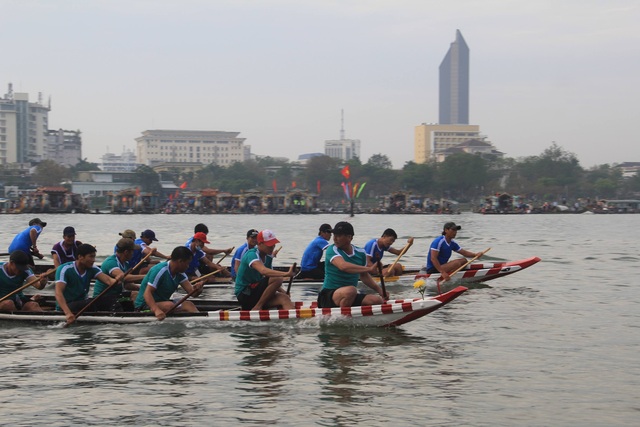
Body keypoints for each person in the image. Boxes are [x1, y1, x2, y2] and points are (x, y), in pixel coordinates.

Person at [317, 221, 388, 308]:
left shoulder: (361, 252)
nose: (335, 239)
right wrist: (369, 269)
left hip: (349, 295)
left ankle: (348, 314)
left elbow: (364, 276)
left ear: (349, 237)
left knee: (377, 301)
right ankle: (343, 319)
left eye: (338, 236)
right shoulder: (332, 250)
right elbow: (343, 266)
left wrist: (380, 290)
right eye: (334, 235)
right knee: (351, 290)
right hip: (328, 295)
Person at [55, 243, 124, 325]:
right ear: (80, 257)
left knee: (111, 300)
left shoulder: (92, 268)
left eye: (94, 256)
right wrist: (68, 313)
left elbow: (109, 281)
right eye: (91, 256)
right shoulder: (64, 269)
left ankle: (120, 321)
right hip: (66, 306)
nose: (94, 260)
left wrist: (119, 278)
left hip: (83, 304)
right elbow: (58, 293)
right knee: (90, 303)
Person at [134, 246, 204, 320]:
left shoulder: (180, 273)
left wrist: (198, 289)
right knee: (169, 305)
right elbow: (147, 293)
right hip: (144, 305)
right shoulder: (160, 270)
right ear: (180, 261)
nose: (188, 266)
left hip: (162, 303)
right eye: (187, 263)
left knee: (189, 305)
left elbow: (192, 293)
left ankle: (200, 322)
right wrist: (156, 310)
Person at [234, 229, 295, 310]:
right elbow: (263, 271)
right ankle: (257, 307)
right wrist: (286, 274)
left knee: (284, 298)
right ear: (260, 243)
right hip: (245, 293)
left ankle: (292, 320)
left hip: (256, 291)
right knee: (278, 277)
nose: (272, 247)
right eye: (269, 245)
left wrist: (282, 291)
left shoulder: (268, 257)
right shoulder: (251, 254)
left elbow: (270, 281)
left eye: (273, 245)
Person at [92, 238, 146, 312]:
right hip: (102, 297)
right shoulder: (111, 262)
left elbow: (127, 285)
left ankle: (138, 312)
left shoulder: (125, 264)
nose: (133, 253)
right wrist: (146, 276)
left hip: (116, 295)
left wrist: (143, 289)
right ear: (126, 252)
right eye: (132, 251)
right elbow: (124, 277)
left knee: (136, 294)